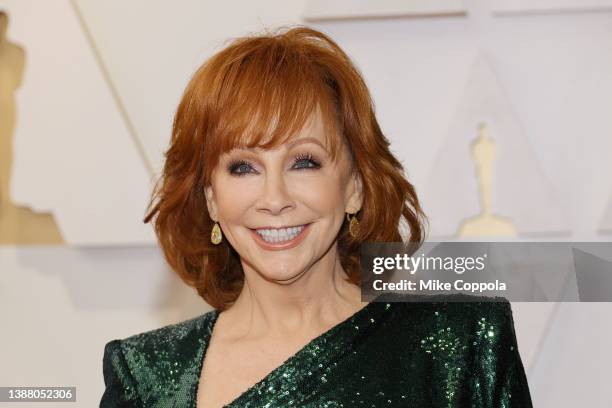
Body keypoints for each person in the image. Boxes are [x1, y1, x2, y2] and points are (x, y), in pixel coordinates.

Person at [100, 25, 533, 407]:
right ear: (211, 198)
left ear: (354, 186)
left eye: (304, 162)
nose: (274, 198)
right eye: (243, 167)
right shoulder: (147, 376)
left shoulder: (461, 344)